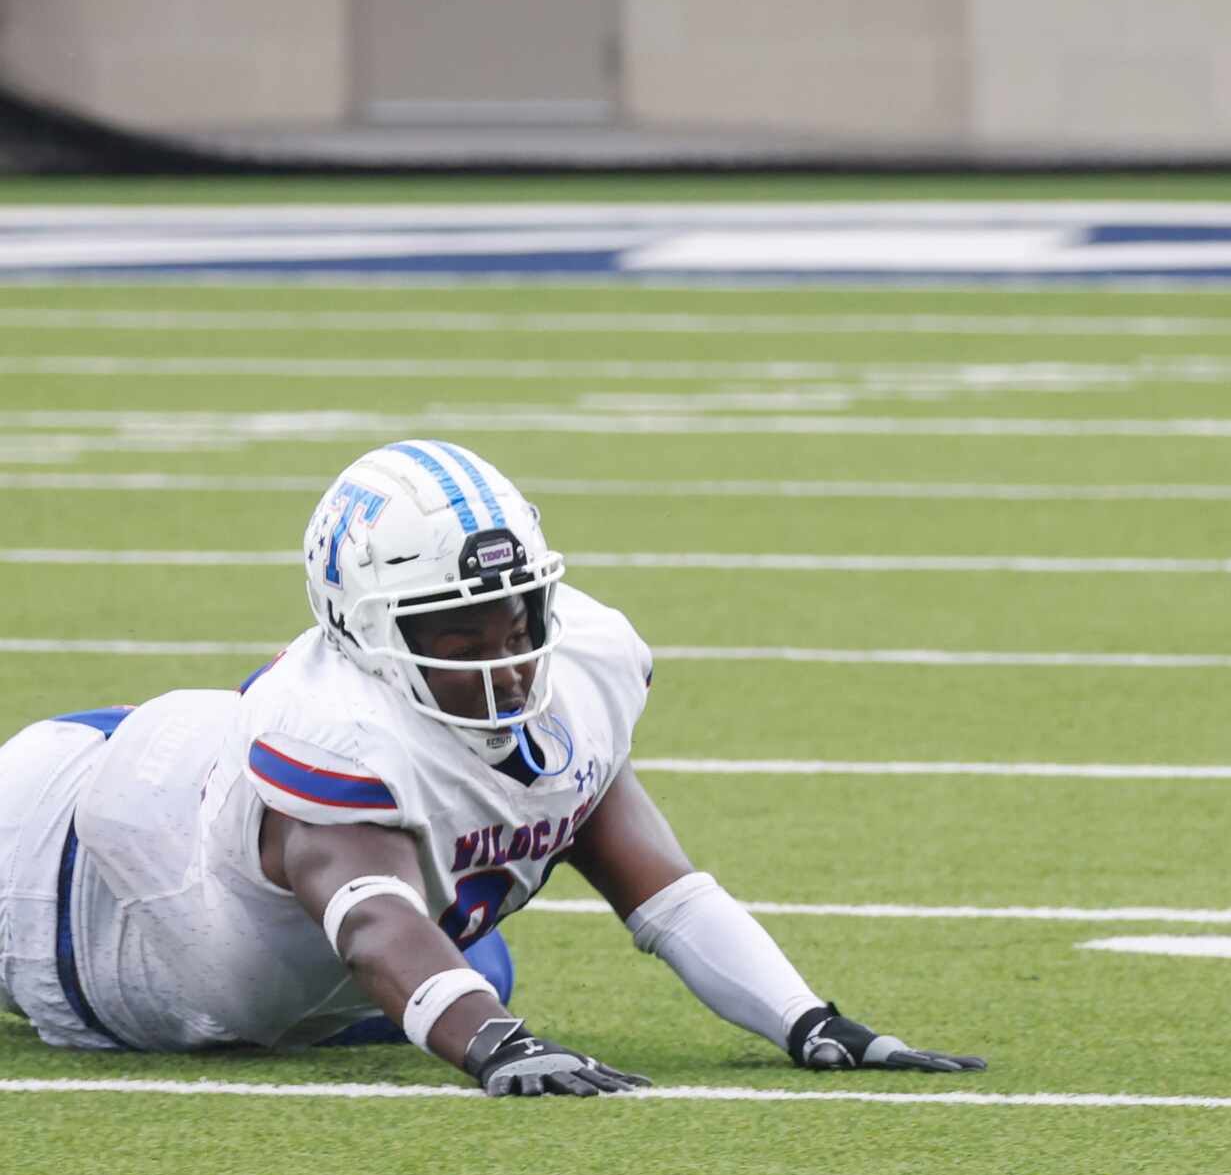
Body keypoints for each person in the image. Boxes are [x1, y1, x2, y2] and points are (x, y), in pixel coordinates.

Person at [0, 440, 982, 1095]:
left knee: (476, 964)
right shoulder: (335, 735)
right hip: (74, 890)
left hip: (262, 919)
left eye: (515, 617)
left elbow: (667, 894)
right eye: (455, 632)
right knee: (455, 979)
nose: (503, 656)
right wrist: (493, 1046)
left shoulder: (582, 670)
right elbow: (373, 921)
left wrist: (810, 1021)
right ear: (362, 630)